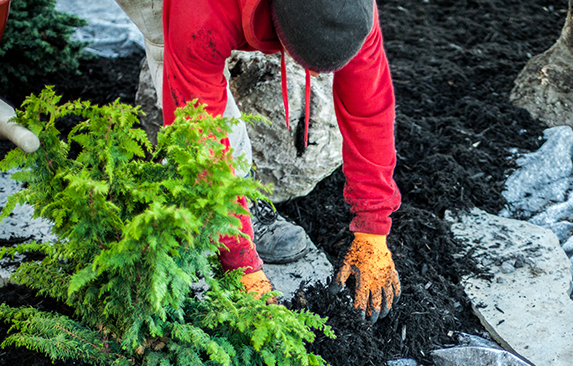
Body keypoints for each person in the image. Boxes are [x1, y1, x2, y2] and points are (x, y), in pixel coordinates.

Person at [117, 0, 402, 323]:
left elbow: (369, 107)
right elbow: (200, 135)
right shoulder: (199, 11)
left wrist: (373, 227)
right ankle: (226, 208)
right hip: (193, 16)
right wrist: (239, 261)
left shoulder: (352, 10)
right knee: (170, 46)